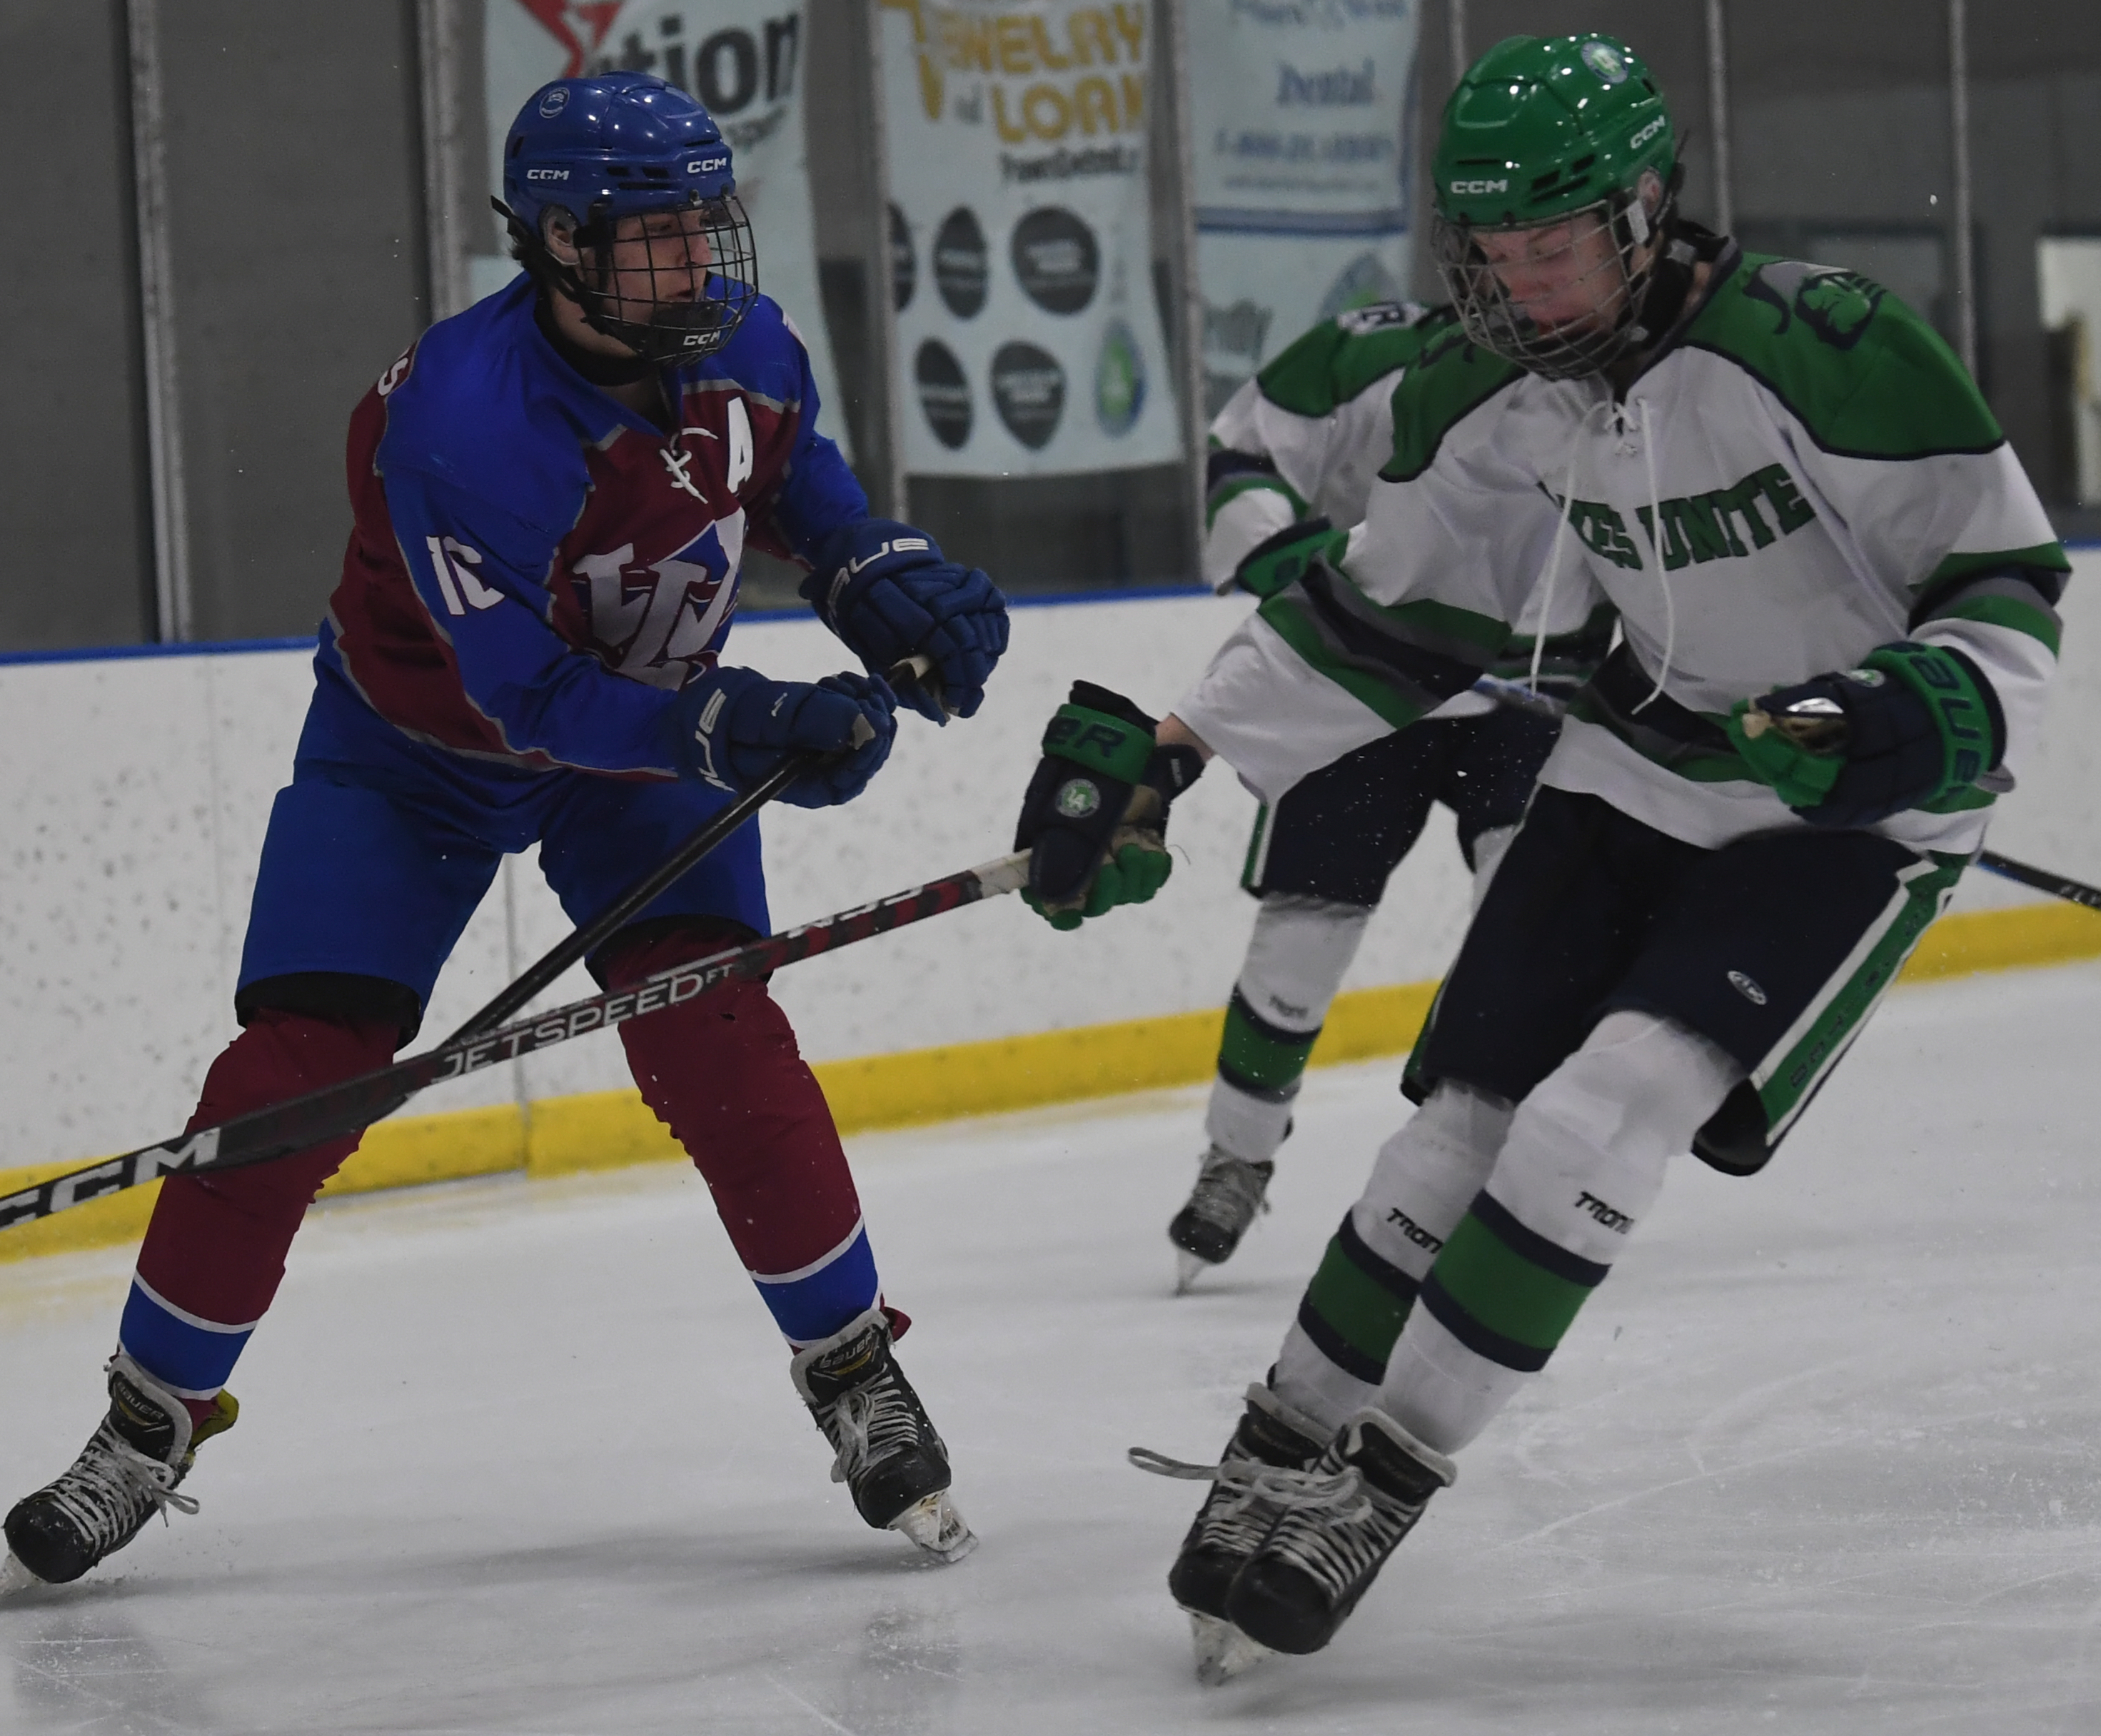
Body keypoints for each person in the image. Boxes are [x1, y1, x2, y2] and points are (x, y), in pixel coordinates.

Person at [1014, 33, 2066, 1677]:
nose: (1515, 284)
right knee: (1452, 1134)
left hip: (1838, 815)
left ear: (1643, 213)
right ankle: (1277, 1444)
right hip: (1627, 769)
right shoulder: (1487, 389)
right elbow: (1379, 618)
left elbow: (2000, 584)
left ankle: (1382, 1475)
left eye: (1549, 244)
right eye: (1486, 252)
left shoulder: (1825, 352)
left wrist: (1909, 705)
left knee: (1597, 1109)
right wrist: (1180, 747)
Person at [4, 72, 1007, 1590]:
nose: (700, 263)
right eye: (655, 236)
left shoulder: (741, 337)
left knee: (720, 1039)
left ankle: (854, 1367)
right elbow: (533, 694)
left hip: (640, 741)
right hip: (415, 759)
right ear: (558, 243)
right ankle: (148, 1420)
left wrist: (867, 564)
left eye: (702, 224)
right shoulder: (458, 427)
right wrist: (734, 721)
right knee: (285, 1084)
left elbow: (789, 470)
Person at [1171, 302, 1613, 1287]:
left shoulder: (1611, 367)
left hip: (1537, 694)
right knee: (1300, 942)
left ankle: (1495, 1168)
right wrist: (1284, 558)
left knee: (1531, 929)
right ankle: (1236, 1159)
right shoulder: (1362, 350)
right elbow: (1246, 456)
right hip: (1363, 675)